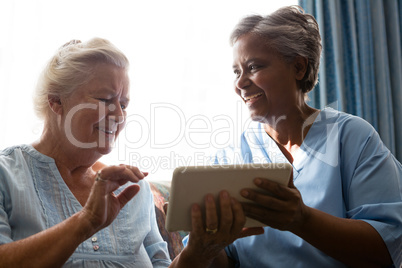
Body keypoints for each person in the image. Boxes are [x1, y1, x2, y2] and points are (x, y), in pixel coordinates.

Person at [0, 38, 262, 267]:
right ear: (56, 101)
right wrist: (87, 221)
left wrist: (197, 252)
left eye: (124, 104)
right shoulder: (7, 175)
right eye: (105, 100)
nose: (119, 115)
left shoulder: (133, 190)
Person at [191, 5, 401, 268]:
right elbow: (227, 259)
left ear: (299, 67)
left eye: (253, 67)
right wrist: (204, 246)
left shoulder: (351, 137)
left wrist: (302, 220)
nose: (240, 83)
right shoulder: (229, 157)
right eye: (236, 71)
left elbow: (387, 249)